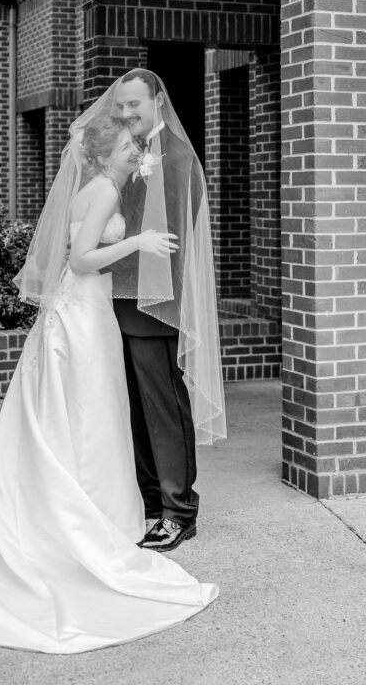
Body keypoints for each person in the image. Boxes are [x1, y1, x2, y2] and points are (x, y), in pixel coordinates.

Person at [0, 106, 218, 653]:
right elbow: (84, 258)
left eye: (135, 148)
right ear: (102, 155)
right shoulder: (105, 193)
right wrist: (139, 244)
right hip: (84, 314)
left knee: (77, 411)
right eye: (126, 150)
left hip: (79, 313)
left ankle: (82, 508)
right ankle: (89, 518)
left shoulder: (90, 187)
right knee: (91, 411)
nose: (135, 154)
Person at [107, 68, 226, 553]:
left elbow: (178, 245)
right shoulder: (127, 154)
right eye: (121, 105)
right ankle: (153, 502)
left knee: (163, 410)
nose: (126, 113)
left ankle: (180, 511)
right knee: (135, 412)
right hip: (117, 303)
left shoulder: (175, 157)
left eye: (135, 103)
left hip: (158, 308)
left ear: (158, 99)